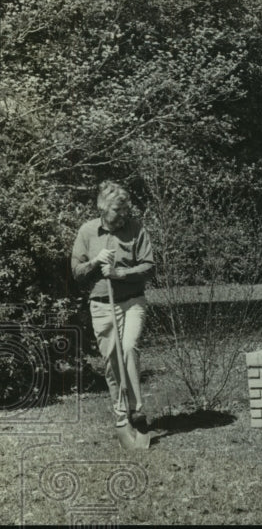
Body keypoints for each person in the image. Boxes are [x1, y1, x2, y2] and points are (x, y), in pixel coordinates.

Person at [71, 181, 155, 431]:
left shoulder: (136, 229)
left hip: (132, 302)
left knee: (129, 348)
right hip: (101, 304)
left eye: (125, 209)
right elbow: (76, 271)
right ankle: (121, 413)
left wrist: (119, 273)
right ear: (103, 209)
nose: (123, 215)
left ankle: (136, 411)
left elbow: (149, 266)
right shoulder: (87, 232)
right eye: (118, 210)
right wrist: (96, 261)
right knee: (111, 359)